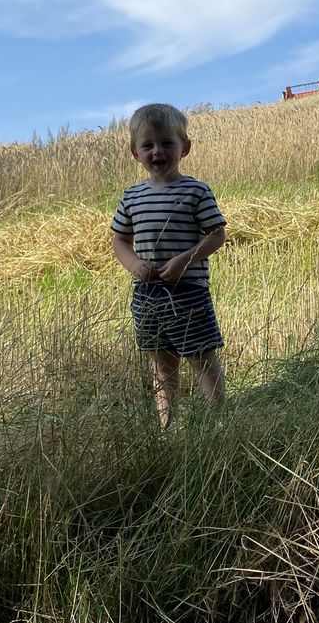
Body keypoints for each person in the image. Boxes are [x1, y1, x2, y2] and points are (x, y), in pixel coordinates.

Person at [111, 103, 227, 427]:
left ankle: (219, 423)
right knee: (162, 363)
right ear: (135, 152)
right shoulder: (131, 197)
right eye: (148, 145)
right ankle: (167, 426)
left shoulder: (196, 191)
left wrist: (183, 260)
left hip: (189, 292)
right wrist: (134, 265)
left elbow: (216, 236)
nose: (157, 152)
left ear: (185, 147)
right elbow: (119, 241)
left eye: (166, 143)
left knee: (202, 358)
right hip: (148, 296)